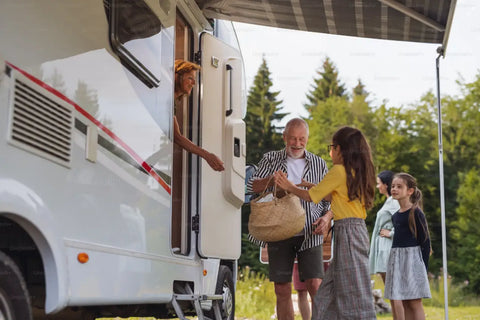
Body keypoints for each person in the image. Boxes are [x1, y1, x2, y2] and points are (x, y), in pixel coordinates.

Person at [274, 126, 377, 319]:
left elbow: (311, 197)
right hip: (356, 231)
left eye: (332, 147)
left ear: (339, 149)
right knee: (325, 294)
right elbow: (332, 196)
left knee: (352, 291)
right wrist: (312, 186)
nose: (330, 152)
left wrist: (289, 186)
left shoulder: (338, 170)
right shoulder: (358, 171)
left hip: (348, 232)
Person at [247, 118, 330, 320]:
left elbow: (330, 200)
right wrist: (271, 181)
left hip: (310, 232)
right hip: (279, 230)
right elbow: (251, 187)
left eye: (302, 139)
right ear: (285, 137)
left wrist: (327, 218)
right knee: (282, 288)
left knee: (315, 285)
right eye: (292, 138)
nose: (297, 143)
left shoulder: (319, 163)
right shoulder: (270, 159)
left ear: (307, 139)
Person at [384, 173, 431, 320]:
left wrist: (423, 268)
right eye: (393, 186)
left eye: (399, 186)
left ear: (410, 191)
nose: (394, 189)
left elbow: (425, 241)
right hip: (397, 259)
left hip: (413, 260)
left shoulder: (416, 212)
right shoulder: (395, 216)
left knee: (414, 301)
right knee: (403, 300)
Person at [174, 59, 224, 171]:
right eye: (190, 78)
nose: (194, 83)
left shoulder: (172, 103)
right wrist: (207, 156)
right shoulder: (167, 100)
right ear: (177, 77)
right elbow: (177, 137)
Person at [369, 170, 404, 318]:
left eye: (379, 183)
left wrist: (390, 233)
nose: (377, 187)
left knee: (395, 293)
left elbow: (404, 225)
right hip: (383, 250)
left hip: (389, 249)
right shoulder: (388, 201)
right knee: (391, 292)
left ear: (386, 184)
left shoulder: (395, 203)